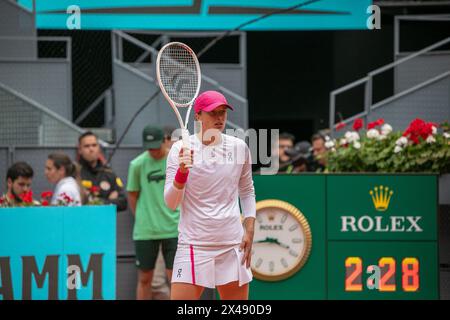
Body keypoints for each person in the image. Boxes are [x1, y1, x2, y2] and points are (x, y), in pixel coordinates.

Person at [164, 90, 256, 300]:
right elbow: (171, 203)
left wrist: (249, 228)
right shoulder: (179, 150)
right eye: (213, 112)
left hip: (232, 245)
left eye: (222, 112)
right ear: (198, 116)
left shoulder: (239, 147)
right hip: (193, 246)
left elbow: (247, 190)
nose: (219, 117)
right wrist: (182, 172)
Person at [127, 125, 180, 300]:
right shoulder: (137, 165)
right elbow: (132, 194)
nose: (154, 151)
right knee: (145, 278)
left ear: (166, 141)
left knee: (176, 279)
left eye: (157, 146)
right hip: (146, 231)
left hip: (174, 228)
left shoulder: (177, 161)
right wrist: (144, 217)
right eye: (150, 148)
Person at [77, 131, 127, 211]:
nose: (91, 149)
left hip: (105, 222)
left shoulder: (109, 173)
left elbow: (123, 202)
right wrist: (110, 200)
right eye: (87, 146)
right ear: (80, 150)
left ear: (99, 148)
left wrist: (101, 202)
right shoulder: (75, 173)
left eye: (94, 145)